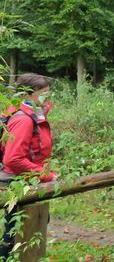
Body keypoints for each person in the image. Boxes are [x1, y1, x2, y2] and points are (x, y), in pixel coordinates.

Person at [0, 73, 55, 257]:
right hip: (18, 183)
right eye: (43, 92)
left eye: (48, 91)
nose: (47, 96)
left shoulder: (34, 115)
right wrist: (46, 174)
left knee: (34, 225)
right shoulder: (24, 119)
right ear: (28, 94)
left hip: (29, 180)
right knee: (15, 236)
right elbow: (13, 159)